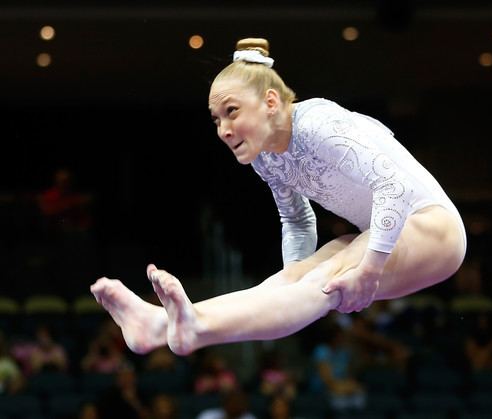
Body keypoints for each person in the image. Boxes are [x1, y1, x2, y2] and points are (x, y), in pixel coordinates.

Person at [90, 37, 467, 356]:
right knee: (294, 280)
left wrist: (368, 272)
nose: (223, 129)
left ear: (271, 102)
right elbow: (299, 221)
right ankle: (160, 325)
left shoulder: (318, 124)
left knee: (329, 277)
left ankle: (186, 328)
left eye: (231, 111)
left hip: (432, 229)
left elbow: (393, 187)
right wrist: (293, 287)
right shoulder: (267, 158)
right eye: (216, 119)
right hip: (383, 232)